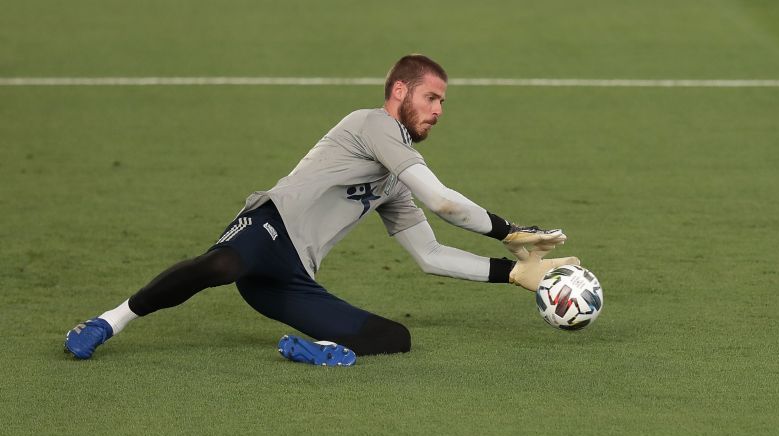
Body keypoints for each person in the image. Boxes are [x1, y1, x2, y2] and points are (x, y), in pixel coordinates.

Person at [64, 54, 578, 366]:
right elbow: (443, 201)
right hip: (267, 228)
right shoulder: (373, 125)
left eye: (443, 102)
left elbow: (430, 256)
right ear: (399, 91)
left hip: (290, 277)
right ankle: (108, 322)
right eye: (431, 98)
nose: (439, 111)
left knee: (393, 339)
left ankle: (310, 349)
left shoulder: (392, 181)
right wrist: (510, 231)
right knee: (220, 264)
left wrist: (514, 275)